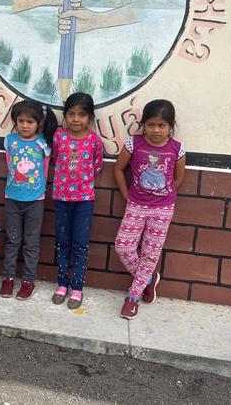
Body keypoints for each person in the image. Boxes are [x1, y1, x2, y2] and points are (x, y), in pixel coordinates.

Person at [114, 99, 186, 320]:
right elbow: (118, 168)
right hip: (136, 205)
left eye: (162, 125)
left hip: (163, 210)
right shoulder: (134, 144)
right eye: (151, 124)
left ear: (171, 126)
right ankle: (148, 278)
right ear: (143, 124)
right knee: (123, 246)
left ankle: (133, 296)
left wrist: (164, 194)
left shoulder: (177, 148)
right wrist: (127, 195)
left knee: (150, 252)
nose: (156, 130)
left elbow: (179, 178)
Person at [0, 100, 58, 300]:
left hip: (36, 200)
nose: (25, 125)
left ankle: (28, 281)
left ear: (39, 123)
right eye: (21, 121)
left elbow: (45, 169)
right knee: (12, 240)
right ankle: (7, 278)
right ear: (15, 121)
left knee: (31, 242)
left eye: (30, 122)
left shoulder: (43, 144)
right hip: (12, 198)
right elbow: (10, 166)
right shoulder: (10, 141)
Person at [51, 93, 104, 309]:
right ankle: (62, 283)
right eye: (71, 114)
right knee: (62, 242)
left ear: (89, 118)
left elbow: (97, 165)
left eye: (81, 115)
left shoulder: (94, 141)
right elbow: (55, 158)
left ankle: (77, 287)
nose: (75, 119)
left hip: (84, 200)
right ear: (65, 116)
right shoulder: (58, 137)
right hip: (61, 198)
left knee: (80, 245)